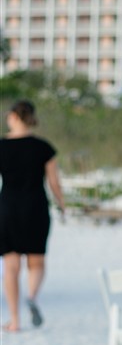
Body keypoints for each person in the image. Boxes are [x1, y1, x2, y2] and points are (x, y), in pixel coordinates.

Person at [0, 100, 66, 332]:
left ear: (14, 117)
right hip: (36, 208)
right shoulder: (43, 147)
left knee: (11, 266)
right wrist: (62, 204)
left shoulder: (1, 146)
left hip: (8, 208)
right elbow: (54, 182)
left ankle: (15, 320)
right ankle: (32, 296)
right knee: (36, 262)